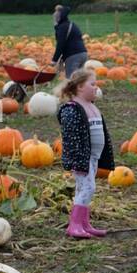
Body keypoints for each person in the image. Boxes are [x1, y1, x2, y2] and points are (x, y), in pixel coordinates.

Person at [57, 68, 114, 239]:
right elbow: (72, 138)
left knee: (84, 189)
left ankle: (84, 224)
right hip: (82, 158)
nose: (96, 88)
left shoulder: (91, 106)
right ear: (80, 87)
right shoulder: (72, 108)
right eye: (93, 84)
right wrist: (77, 159)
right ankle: (74, 225)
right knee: (88, 188)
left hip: (93, 157)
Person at [52, 5, 88, 77]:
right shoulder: (72, 24)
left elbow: (60, 44)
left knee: (71, 79)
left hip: (73, 56)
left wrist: (54, 60)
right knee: (79, 78)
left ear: (59, 18)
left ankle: (74, 88)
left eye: (55, 17)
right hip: (83, 53)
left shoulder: (63, 27)